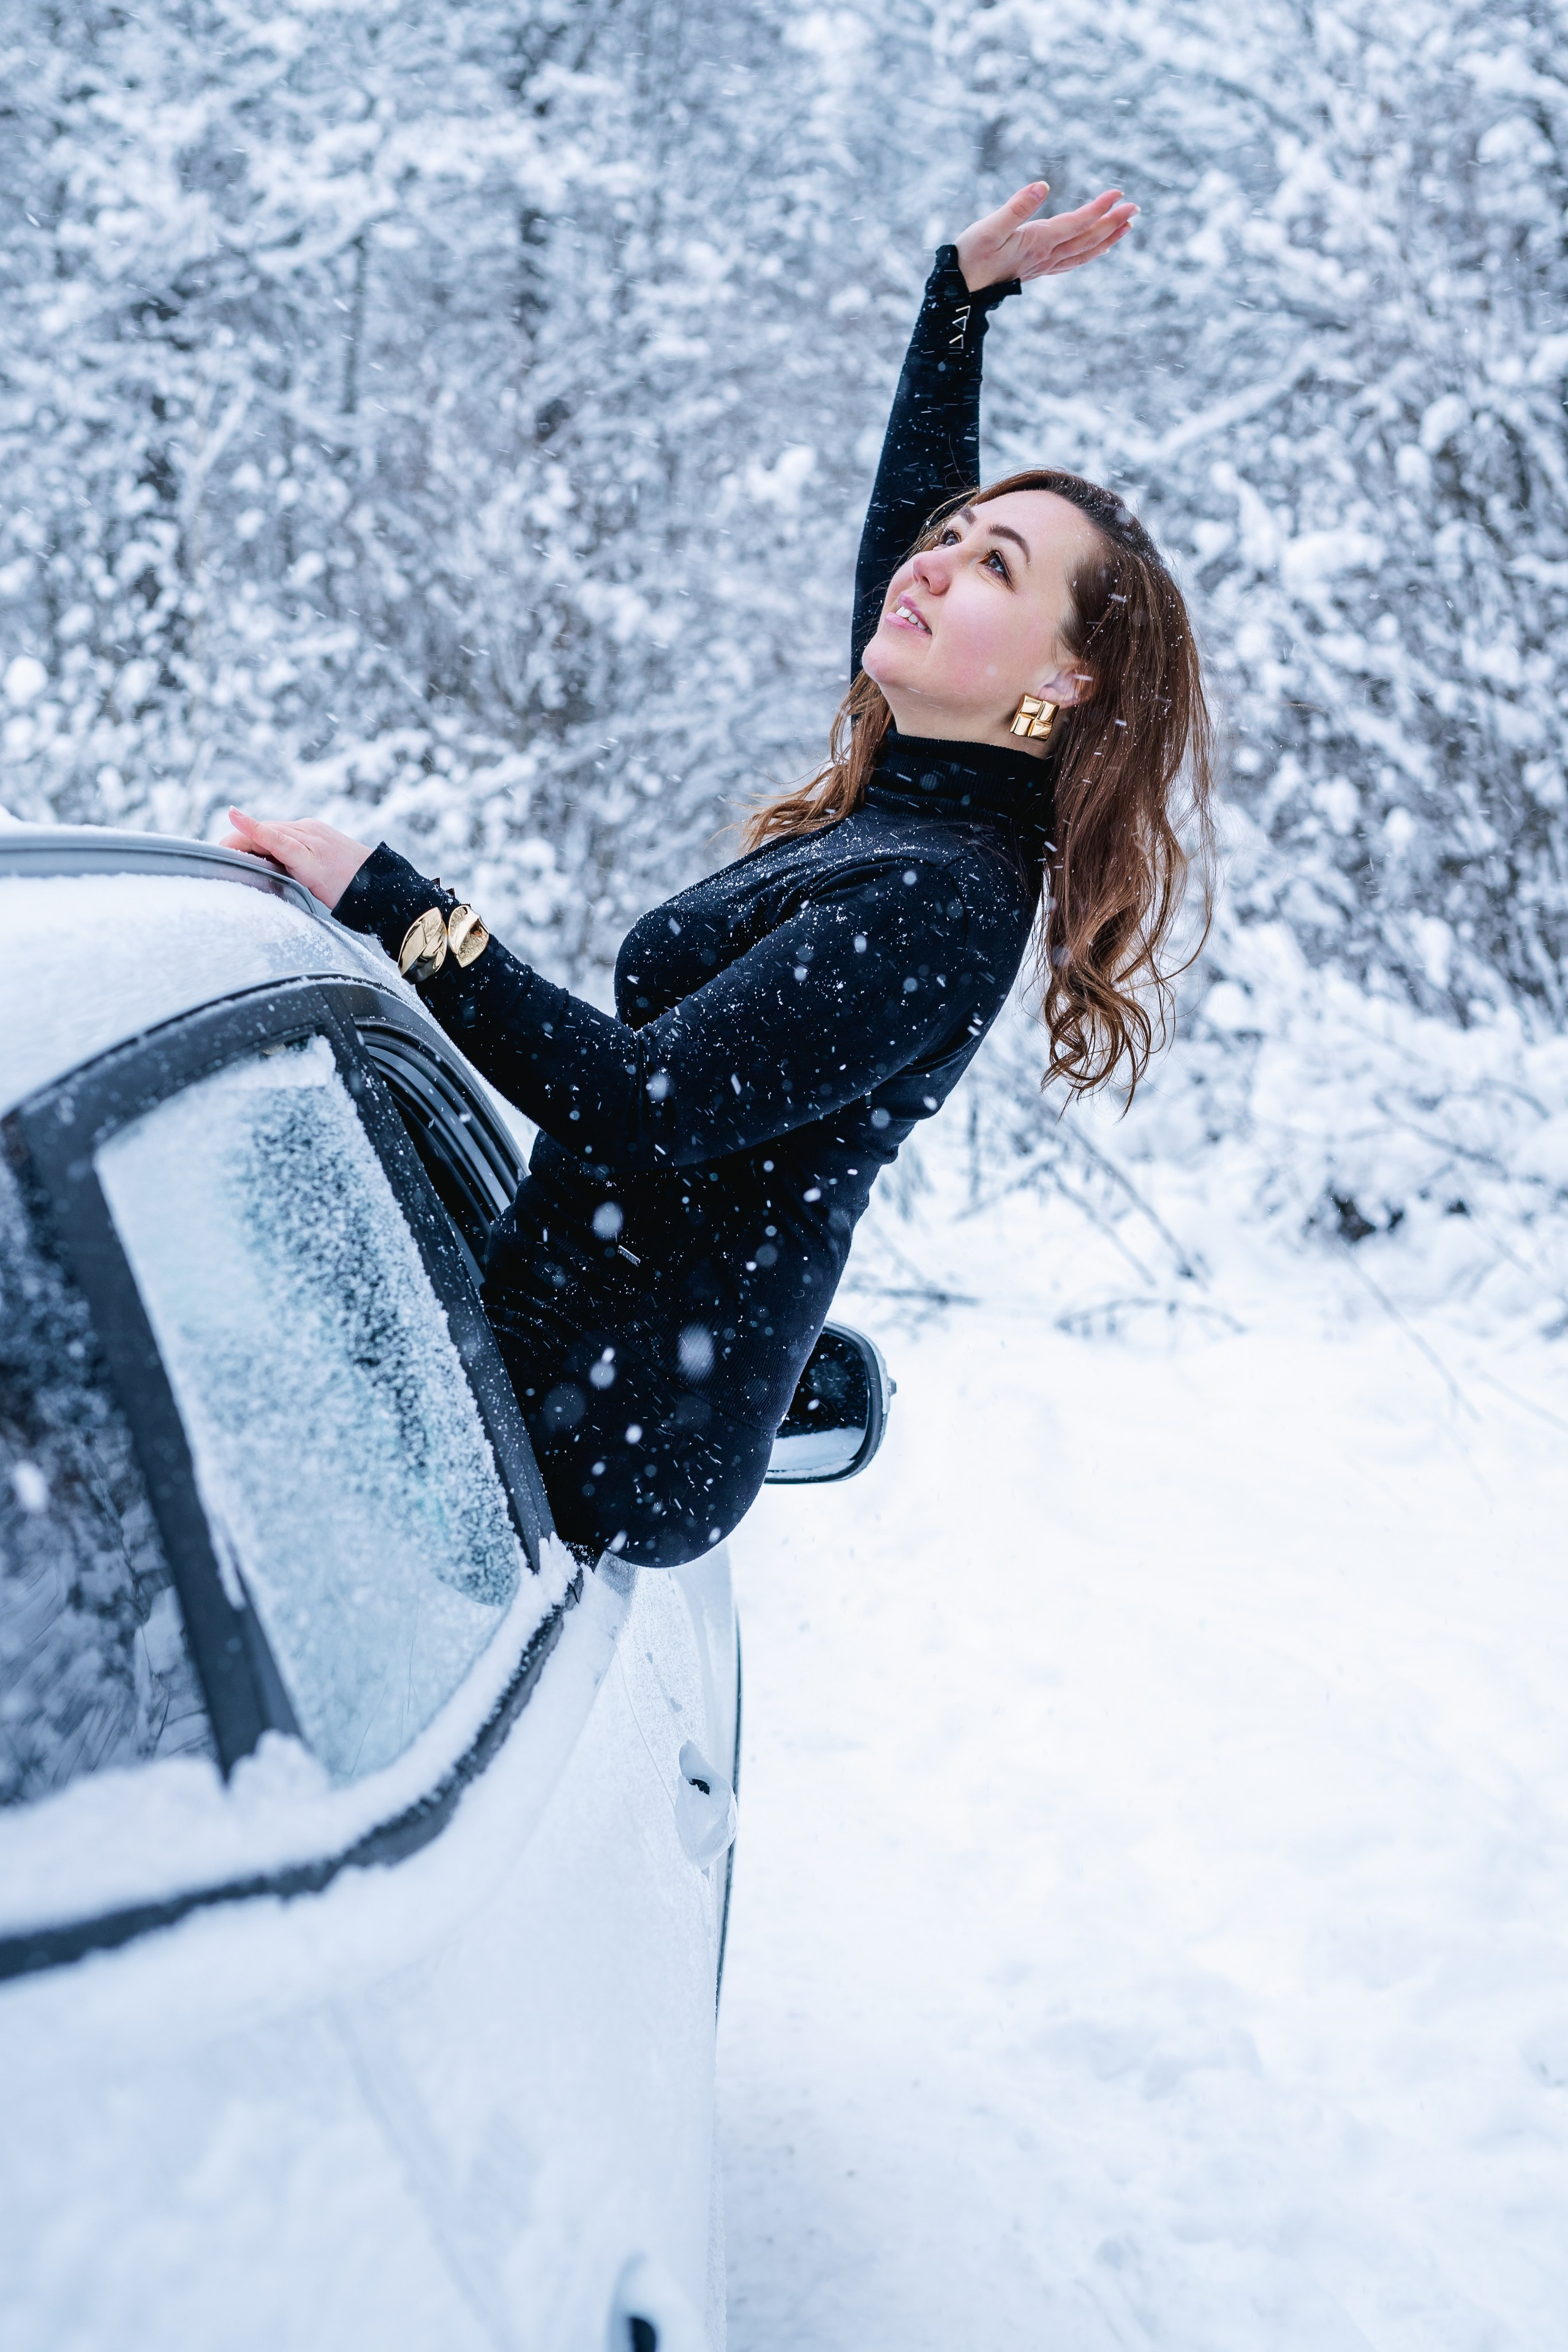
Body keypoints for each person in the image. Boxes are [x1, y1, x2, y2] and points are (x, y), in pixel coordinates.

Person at [225, 179, 1213, 1569]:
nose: (930, 567)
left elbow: (638, 1106)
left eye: (991, 562)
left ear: (1063, 677)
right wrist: (958, 305)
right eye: (943, 540)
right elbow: (908, 575)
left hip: (586, 1456)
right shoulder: (921, 794)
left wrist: (399, 904)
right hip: (535, 1381)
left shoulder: (942, 899)